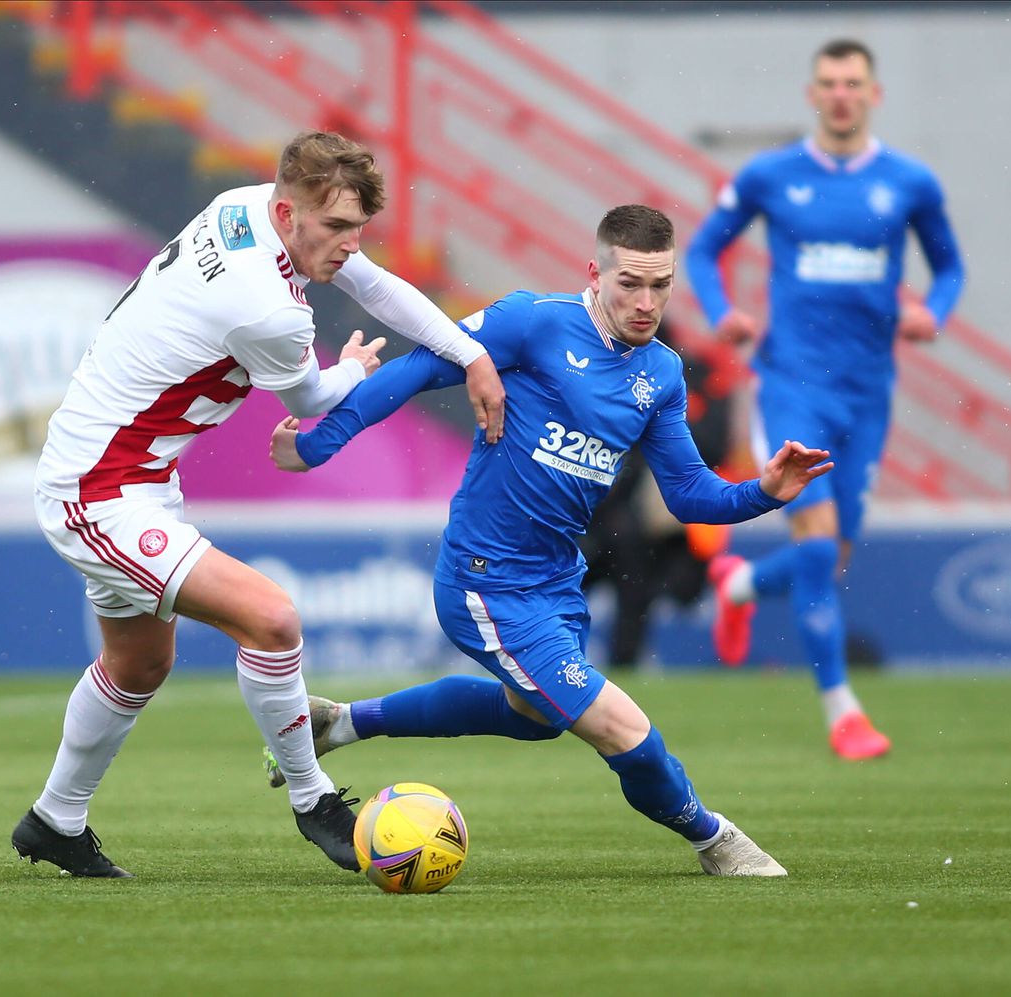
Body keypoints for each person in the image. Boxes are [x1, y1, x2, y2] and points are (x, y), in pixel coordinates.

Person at [267, 205, 834, 876]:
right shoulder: (532, 322)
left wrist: (763, 491)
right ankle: (717, 840)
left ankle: (341, 723)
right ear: (595, 274)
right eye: (630, 283)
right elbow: (420, 367)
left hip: (556, 581)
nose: (646, 303)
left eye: (660, 286)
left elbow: (687, 494)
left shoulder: (661, 373)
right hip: (484, 579)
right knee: (622, 728)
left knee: (533, 716)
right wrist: (320, 442)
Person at [11, 130, 506, 878]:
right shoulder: (267, 308)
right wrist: (351, 369)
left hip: (133, 477)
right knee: (271, 619)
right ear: (288, 213)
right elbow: (310, 399)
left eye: (357, 228)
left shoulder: (242, 206)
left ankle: (54, 821)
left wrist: (471, 353)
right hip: (97, 489)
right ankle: (314, 800)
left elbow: (374, 285)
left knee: (139, 662)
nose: (349, 245)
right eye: (335, 227)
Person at [685, 39, 965, 760]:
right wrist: (721, 311)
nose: (841, 94)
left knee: (828, 557)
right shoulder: (772, 174)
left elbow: (950, 268)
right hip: (792, 384)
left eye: (853, 83)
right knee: (815, 549)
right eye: (830, 83)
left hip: (868, 395)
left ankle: (738, 585)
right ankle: (844, 712)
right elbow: (703, 249)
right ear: (812, 95)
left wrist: (933, 312)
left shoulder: (909, 181)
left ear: (874, 94)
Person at [579, 321, 734, 666]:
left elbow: (714, 446)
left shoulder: (695, 377)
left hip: (668, 522)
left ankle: (620, 661)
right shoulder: (605, 375)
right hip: (608, 511)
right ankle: (554, 653)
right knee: (579, 580)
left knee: (639, 589)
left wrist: (661, 419)